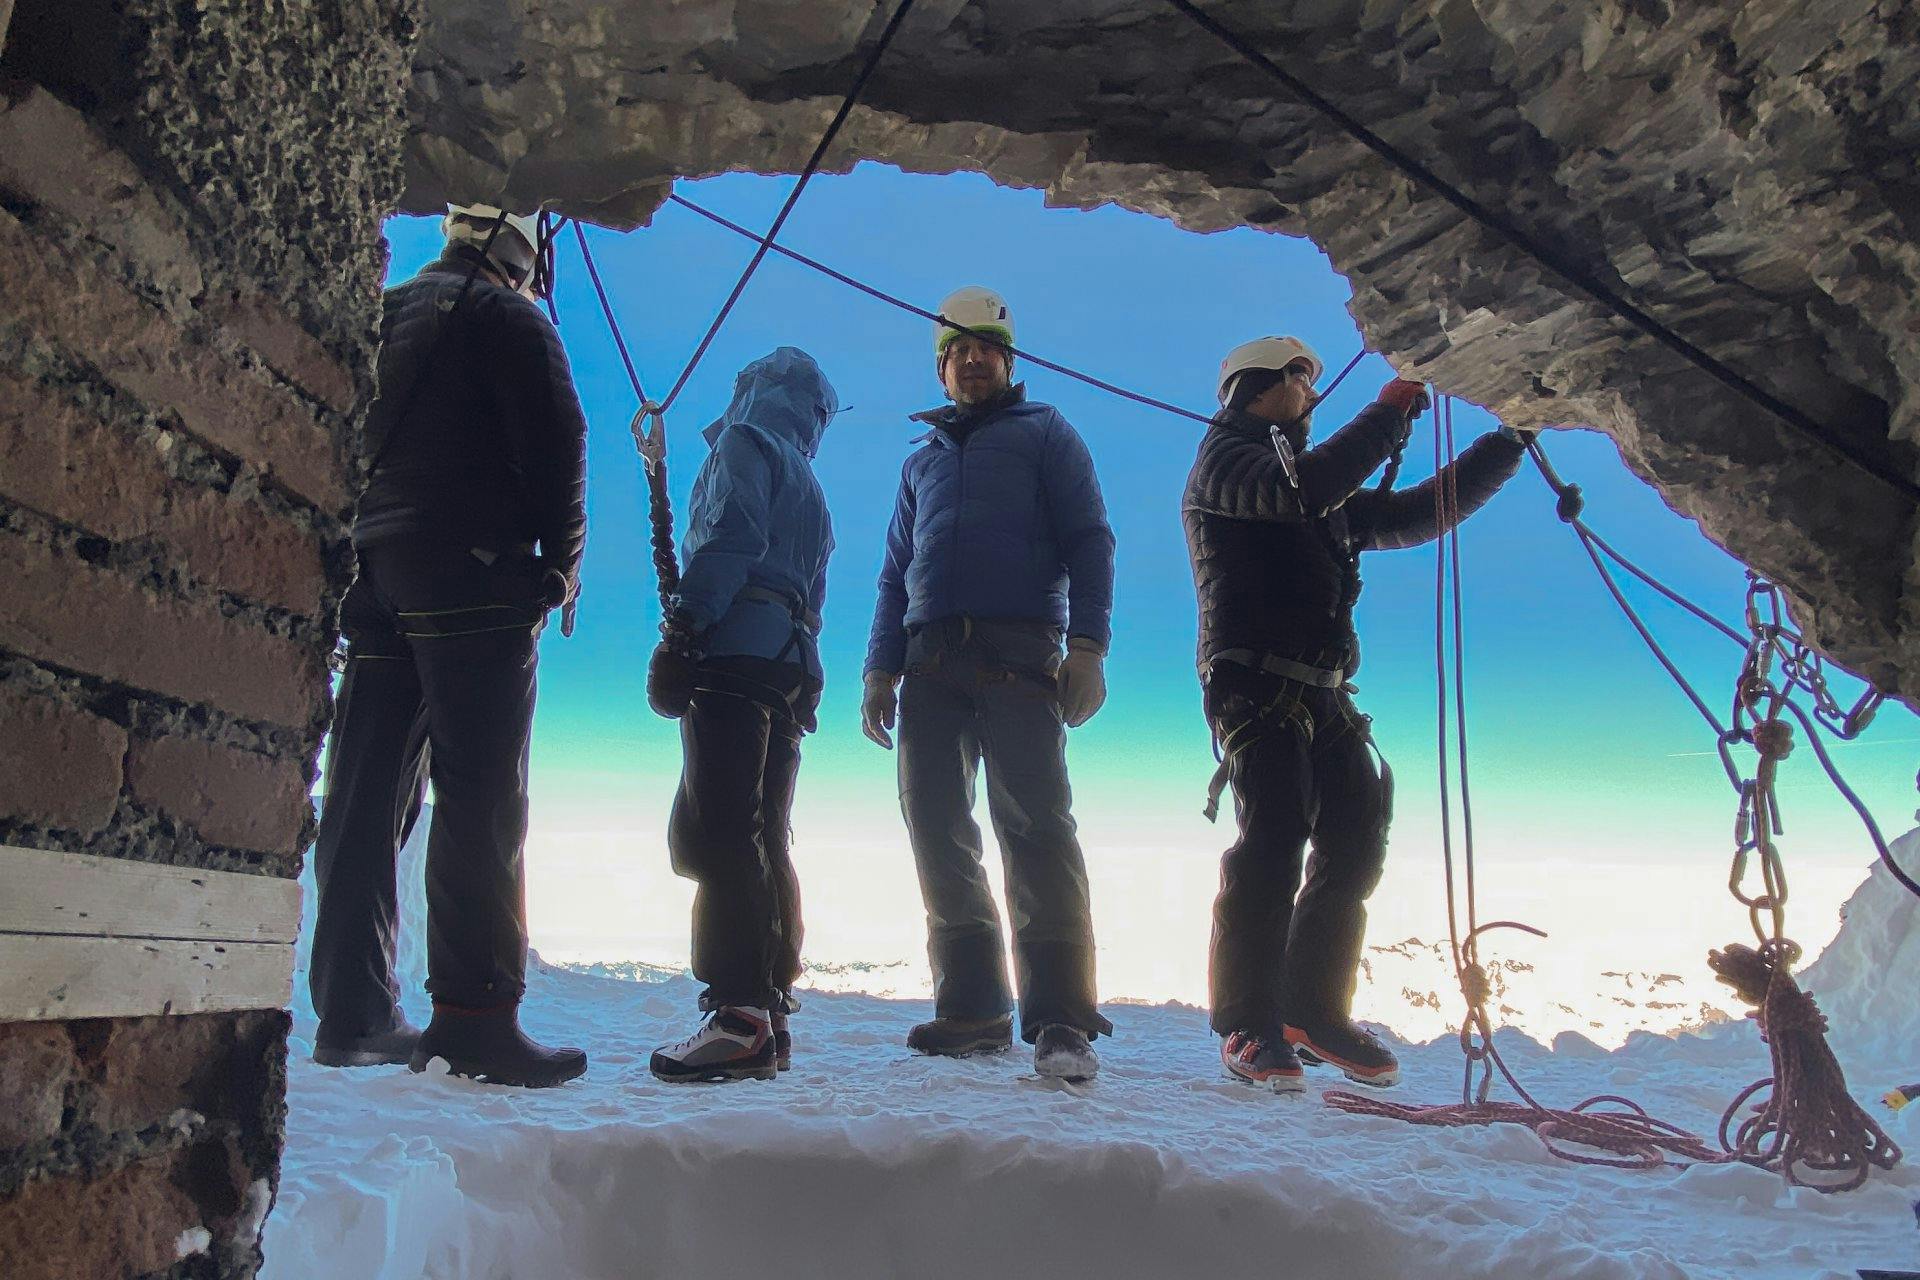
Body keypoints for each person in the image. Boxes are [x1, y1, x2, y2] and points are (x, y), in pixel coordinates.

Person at [1183, 335, 1529, 1093]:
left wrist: (1508, 443)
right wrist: (1389, 410)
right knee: (1274, 836)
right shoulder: (1225, 462)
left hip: (1321, 688)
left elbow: (1416, 513)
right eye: (1298, 378)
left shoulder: (1313, 486)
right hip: (1252, 682)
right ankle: (1249, 1021)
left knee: (1355, 838)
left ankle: (1310, 1010)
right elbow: (1299, 491)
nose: (1310, 392)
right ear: (1254, 387)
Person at [308, 204, 589, 1088]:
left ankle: (351, 1015)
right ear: (526, 253)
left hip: (371, 574)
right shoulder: (512, 317)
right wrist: (562, 567)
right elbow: (560, 441)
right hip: (473, 577)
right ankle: (473, 1020)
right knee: (479, 794)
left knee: (363, 790)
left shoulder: (382, 311)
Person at [861, 287, 1116, 1082]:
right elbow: (895, 574)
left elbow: (1090, 539)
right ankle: (972, 1008)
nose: (972, 360)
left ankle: (1062, 1020)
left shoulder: (1045, 431)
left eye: (986, 349)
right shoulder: (921, 462)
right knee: (936, 825)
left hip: (1020, 656)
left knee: (1035, 826)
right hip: (929, 664)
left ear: (1008, 361)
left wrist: (1088, 648)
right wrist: (879, 669)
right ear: (941, 369)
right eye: (957, 351)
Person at [644, 347, 839, 1084]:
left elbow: (732, 535)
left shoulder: (744, 443)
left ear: (754, 389)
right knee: (765, 831)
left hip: (735, 652)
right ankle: (768, 1008)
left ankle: (738, 1017)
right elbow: (812, 591)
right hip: (789, 666)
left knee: (718, 830)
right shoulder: (810, 486)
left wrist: (685, 631)